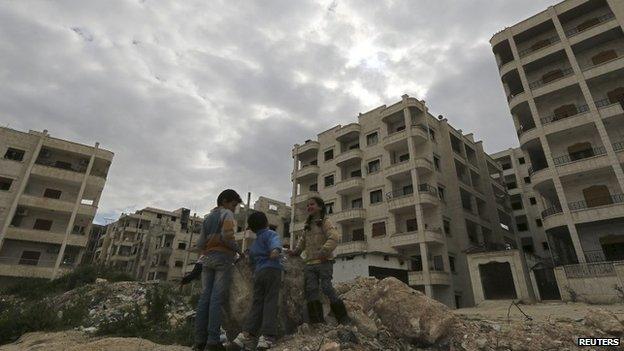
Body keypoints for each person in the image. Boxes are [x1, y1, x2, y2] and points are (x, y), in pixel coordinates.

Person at [193, 189, 243, 351]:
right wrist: (239, 250)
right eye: (234, 205)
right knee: (216, 299)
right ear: (225, 201)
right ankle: (213, 341)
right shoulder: (227, 214)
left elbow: (200, 243)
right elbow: (227, 236)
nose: (234, 209)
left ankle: (199, 341)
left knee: (204, 300)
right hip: (223, 259)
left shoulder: (208, 217)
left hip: (207, 259)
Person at [289, 197, 349, 324]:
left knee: (327, 288)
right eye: (308, 205)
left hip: (324, 262)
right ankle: (317, 321)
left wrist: (324, 252)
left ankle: (343, 317)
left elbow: (334, 237)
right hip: (310, 264)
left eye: (312, 204)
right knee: (311, 291)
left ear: (320, 207)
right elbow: (302, 242)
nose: (309, 207)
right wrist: (295, 252)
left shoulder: (325, 222)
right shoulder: (307, 224)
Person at [231, 211, 283, 350]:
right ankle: (267, 337)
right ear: (266, 223)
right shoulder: (271, 234)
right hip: (272, 270)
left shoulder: (255, 243)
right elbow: (275, 246)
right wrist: (275, 251)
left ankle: (245, 335)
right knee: (270, 302)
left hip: (258, 274)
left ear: (253, 229)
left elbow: (251, 260)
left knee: (257, 304)